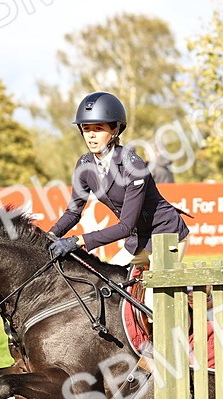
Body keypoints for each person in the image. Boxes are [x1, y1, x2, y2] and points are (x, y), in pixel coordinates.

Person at [46, 91, 188, 280]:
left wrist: (78, 241)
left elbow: (126, 226)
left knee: (154, 302)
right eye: (86, 129)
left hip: (166, 236)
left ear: (114, 130)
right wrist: (49, 236)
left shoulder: (134, 166)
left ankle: (197, 292)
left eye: (98, 129)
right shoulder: (84, 165)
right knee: (108, 286)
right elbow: (73, 212)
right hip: (138, 242)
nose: (91, 136)